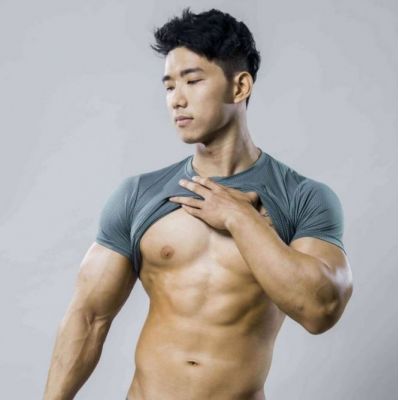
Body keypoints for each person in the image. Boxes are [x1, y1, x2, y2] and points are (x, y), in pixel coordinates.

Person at [44, 7, 353, 400]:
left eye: (192, 81)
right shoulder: (139, 195)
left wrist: (240, 219)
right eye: (169, 86)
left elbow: (320, 311)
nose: (177, 100)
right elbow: (88, 319)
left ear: (239, 87)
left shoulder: (302, 197)